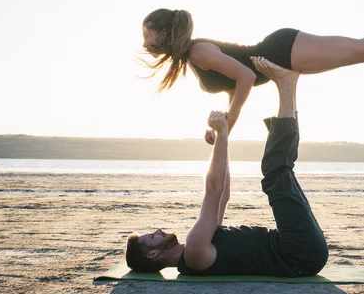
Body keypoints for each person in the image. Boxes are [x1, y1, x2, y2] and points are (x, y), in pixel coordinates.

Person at [141, 8, 364, 142]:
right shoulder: (195, 56)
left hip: (281, 49)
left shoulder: (198, 52)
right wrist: (226, 128)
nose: (146, 43)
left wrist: (229, 119)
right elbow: (236, 86)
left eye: (148, 35)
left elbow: (244, 76)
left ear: (165, 33)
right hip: (281, 55)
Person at [125, 57, 328, 276]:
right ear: (153, 255)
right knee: (275, 172)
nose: (158, 231)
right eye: (153, 237)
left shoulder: (198, 245)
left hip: (300, 250)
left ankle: (289, 84)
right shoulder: (194, 252)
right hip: (298, 252)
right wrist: (222, 132)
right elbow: (213, 191)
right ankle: (286, 84)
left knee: (280, 170)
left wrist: (222, 144)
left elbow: (223, 196)